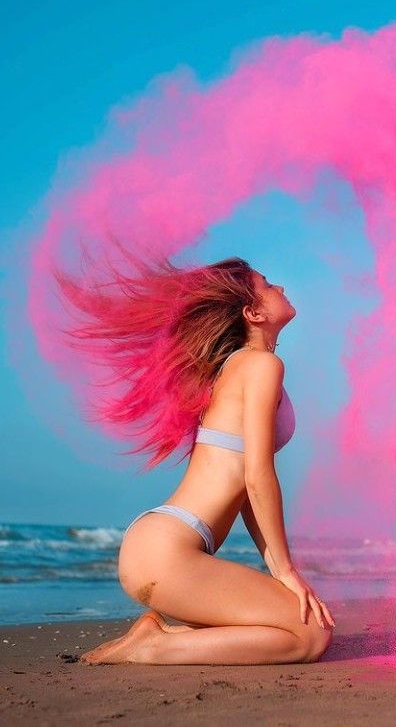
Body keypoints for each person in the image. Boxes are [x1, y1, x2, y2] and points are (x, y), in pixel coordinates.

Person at [67, 254, 335, 665]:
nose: (279, 288)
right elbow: (259, 474)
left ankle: (160, 635)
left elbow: (247, 490)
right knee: (312, 636)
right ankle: (154, 646)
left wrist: (279, 569)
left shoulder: (239, 368)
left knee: (298, 626)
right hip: (168, 553)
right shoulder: (261, 365)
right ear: (253, 312)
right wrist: (285, 572)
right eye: (268, 285)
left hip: (160, 546)